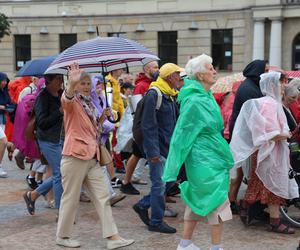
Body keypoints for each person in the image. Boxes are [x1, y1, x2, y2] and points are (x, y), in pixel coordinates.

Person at [56, 63, 134, 249]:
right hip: (75, 155)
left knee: (103, 196)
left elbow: (94, 131)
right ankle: (62, 236)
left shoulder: (89, 102)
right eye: (82, 83)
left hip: (92, 156)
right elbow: (65, 100)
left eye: (87, 83)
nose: (86, 86)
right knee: (71, 198)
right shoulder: (72, 101)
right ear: (74, 85)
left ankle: (112, 237)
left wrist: (102, 118)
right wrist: (70, 84)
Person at [163, 54, 234, 250]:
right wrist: (173, 165)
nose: (214, 71)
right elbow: (181, 134)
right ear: (200, 75)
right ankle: (216, 247)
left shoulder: (206, 96)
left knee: (197, 197)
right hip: (203, 158)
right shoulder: (194, 101)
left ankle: (185, 244)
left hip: (211, 154)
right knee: (217, 200)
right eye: (210, 68)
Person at [230, 71, 298, 234]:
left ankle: (245, 207)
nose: (284, 86)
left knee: (261, 185)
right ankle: (274, 222)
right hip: (269, 153)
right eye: (282, 83)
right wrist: (286, 134)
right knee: (272, 186)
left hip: (268, 153)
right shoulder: (270, 104)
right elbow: (267, 132)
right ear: (274, 84)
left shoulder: (270, 103)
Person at [132, 63, 182, 234]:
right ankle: (156, 221)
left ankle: (143, 205)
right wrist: (152, 152)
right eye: (177, 75)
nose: (180, 78)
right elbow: (148, 126)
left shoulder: (171, 95)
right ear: (169, 77)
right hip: (157, 150)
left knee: (167, 182)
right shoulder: (155, 94)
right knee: (159, 185)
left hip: (168, 148)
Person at [228, 59, 269, 213]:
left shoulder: (251, 85)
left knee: (240, 170)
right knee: (238, 170)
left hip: (244, 133)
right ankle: (231, 202)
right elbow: (253, 115)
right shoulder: (248, 89)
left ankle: (234, 201)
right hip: (242, 135)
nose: (266, 74)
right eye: (265, 70)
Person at [23, 74, 64, 215]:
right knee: (60, 173)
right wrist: (59, 112)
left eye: (61, 78)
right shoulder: (43, 97)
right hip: (47, 140)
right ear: (49, 81)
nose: (61, 81)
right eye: (58, 79)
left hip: (60, 139)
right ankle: (61, 210)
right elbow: (42, 122)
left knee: (62, 172)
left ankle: (32, 195)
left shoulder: (61, 94)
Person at [121, 60, 159, 195]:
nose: (157, 69)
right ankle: (128, 181)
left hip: (147, 126)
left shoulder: (150, 84)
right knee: (140, 154)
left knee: (138, 154)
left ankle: (129, 181)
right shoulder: (142, 85)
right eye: (155, 67)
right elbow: (138, 107)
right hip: (143, 126)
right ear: (147, 69)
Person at [107, 69, 126, 173]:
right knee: (114, 141)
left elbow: (118, 101)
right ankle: (117, 164)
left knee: (116, 140)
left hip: (118, 116)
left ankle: (117, 163)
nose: (122, 71)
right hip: (113, 117)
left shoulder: (116, 81)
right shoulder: (109, 82)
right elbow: (109, 100)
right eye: (120, 68)